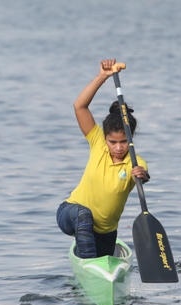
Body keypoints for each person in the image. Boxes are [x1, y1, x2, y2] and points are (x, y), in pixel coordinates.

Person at [57, 59, 150, 258]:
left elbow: (142, 175)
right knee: (84, 215)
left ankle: (87, 255)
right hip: (70, 213)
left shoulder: (136, 162)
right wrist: (102, 76)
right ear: (105, 137)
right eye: (112, 142)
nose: (118, 147)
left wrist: (142, 175)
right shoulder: (97, 142)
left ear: (131, 137)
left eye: (124, 142)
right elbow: (79, 106)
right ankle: (88, 261)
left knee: (100, 255)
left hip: (105, 234)